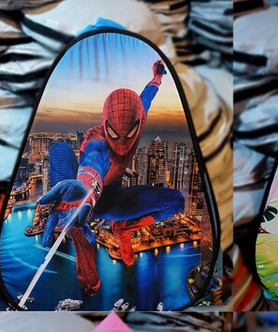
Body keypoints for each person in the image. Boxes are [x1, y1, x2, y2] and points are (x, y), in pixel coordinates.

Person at [38, 58, 184, 295]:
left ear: (138, 121)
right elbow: (91, 165)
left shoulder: (139, 114)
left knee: (176, 201)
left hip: (115, 200)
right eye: (114, 134)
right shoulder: (97, 143)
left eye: (130, 133)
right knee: (60, 151)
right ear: (105, 125)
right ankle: (84, 260)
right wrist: (84, 194)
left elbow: (146, 97)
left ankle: (123, 229)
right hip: (86, 201)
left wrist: (157, 76)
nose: (122, 143)